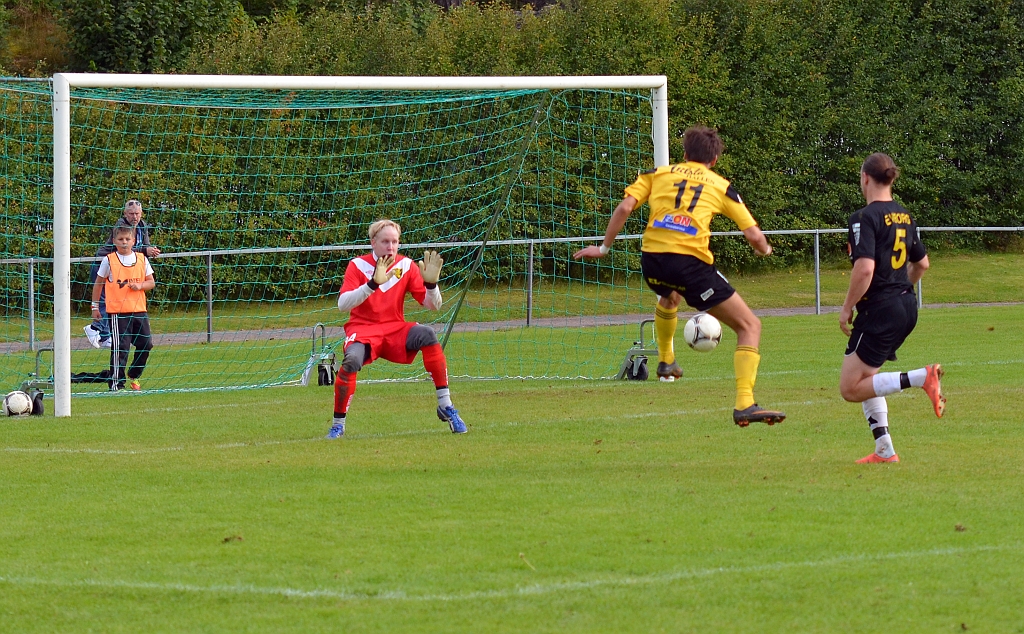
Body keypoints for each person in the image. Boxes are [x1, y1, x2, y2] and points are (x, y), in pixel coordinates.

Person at [573, 125, 785, 426]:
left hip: (652, 261)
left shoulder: (657, 174)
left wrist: (604, 248)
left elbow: (624, 207)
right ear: (713, 161)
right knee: (750, 326)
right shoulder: (720, 185)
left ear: (684, 154)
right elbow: (753, 235)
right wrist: (764, 250)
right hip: (690, 265)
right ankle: (745, 404)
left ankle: (666, 361)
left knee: (670, 297)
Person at [839, 152, 945, 463]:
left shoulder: (864, 218)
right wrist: (902, 290)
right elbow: (922, 264)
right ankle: (884, 450)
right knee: (868, 377)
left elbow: (864, 269)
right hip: (906, 306)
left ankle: (921, 377)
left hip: (880, 309)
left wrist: (848, 307)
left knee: (850, 387)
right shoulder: (905, 216)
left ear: (865, 178)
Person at [327, 219, 467, 438]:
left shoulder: (406, 266)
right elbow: (342, 304)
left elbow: (433, 305)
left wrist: (431, 286)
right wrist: (372, 284)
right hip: (363, 330)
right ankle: (338, 425)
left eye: (394, 242)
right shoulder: (357, 265)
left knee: (427, 334)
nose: (390, 247)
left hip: (395, 330)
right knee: (352, 361)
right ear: (373, 242)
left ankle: (446, 405)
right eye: (385, 241)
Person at [84, 199, 161, 349]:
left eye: (137, 213)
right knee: (107, 300)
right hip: (105, 264)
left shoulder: (142, 225)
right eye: (131, 213)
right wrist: (145, 251)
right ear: (125, 213)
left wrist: (152, 250)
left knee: (116, 301)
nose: (134, 217)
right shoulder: (121, 226)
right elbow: (124, 247)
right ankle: (94, 328)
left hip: (122, 267)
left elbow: (144, 245)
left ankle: (105, 337)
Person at [90, 225, 155, 391]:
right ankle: (116, 383)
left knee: (146, 344)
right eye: (120, 239)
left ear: (133, 241)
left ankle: (134, 374)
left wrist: (139, 285)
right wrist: (95, 306)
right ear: (114, 241)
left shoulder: (142, 259)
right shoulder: (109, 260)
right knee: (121, 348)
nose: (124, 242)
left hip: (139, 310)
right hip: (118, 313)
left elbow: (151, 282)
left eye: (127, 239)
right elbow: (98, 284)